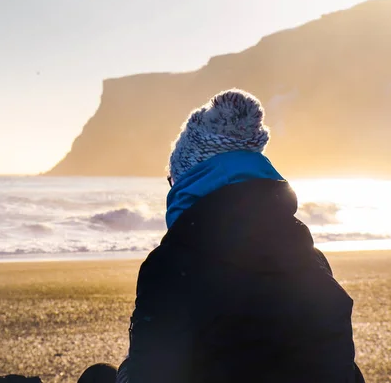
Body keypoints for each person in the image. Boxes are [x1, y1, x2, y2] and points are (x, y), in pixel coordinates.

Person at [113, 89, 364, 383]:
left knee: (99, 376)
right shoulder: (309, 257)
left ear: (188, 180)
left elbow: (150, 375)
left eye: (172, 179)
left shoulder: (169, 267)